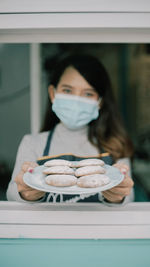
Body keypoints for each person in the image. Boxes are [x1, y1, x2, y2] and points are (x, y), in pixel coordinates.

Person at [7, 53, 134, 204]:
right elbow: (12, 196)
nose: (76, 101)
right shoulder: (32, 143)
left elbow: (128, 199)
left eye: (88, 93)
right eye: (67, 91)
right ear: (53, 94)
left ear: (99, 102)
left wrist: (118, 195)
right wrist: (27, 193)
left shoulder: (116, 146)